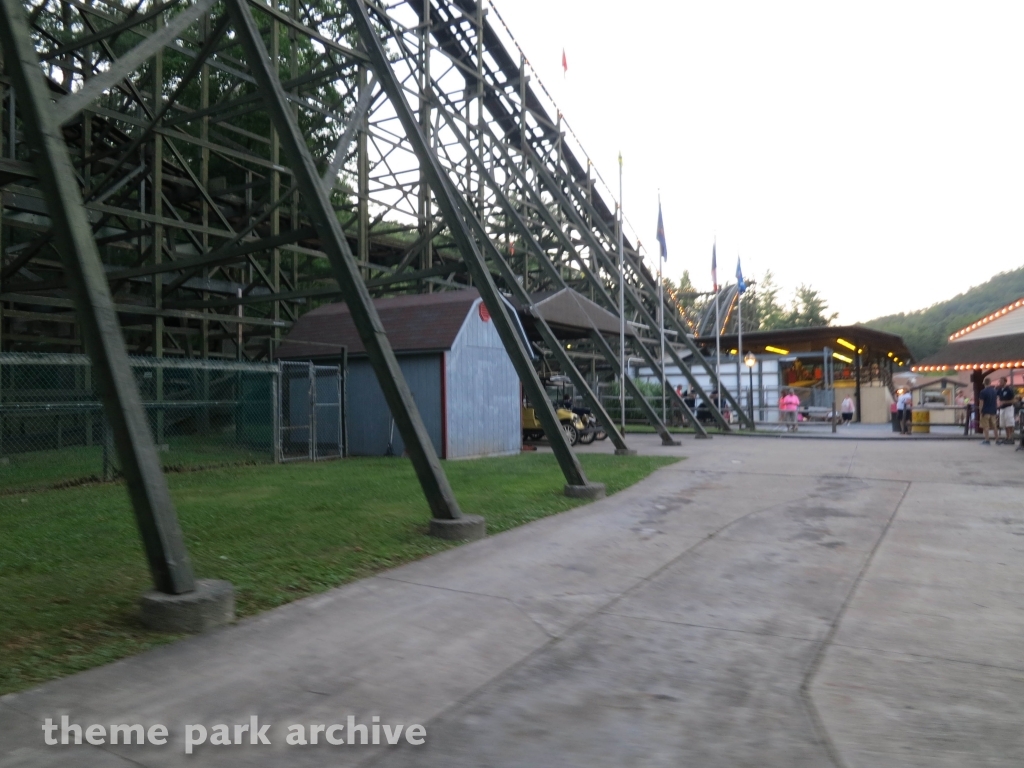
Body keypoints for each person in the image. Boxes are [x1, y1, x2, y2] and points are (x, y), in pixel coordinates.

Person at [978, 377, 999, 445]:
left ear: (984, 383)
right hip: (993, 410)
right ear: (990, 383)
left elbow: (981, 403)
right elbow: (996, 401)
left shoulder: (983, 392)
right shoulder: (994, 391)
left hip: (985, 411)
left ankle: (987, 440)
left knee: (985, 426)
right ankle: (997, 439)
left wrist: (980, 411)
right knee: (994, 426)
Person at [996, 377, 1016, 445]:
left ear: (1005, 381)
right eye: (999, 381)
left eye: (1001, 381)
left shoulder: (1009, 390)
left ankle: (1011, 438)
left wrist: (1005, 402)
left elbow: (1014, 400)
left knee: (1009, 423)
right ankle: (1007, 437)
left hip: (1008, 408)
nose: (1000, 382)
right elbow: (997, 397)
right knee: (1004, 424)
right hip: (1002, 408)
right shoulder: (999, 390)